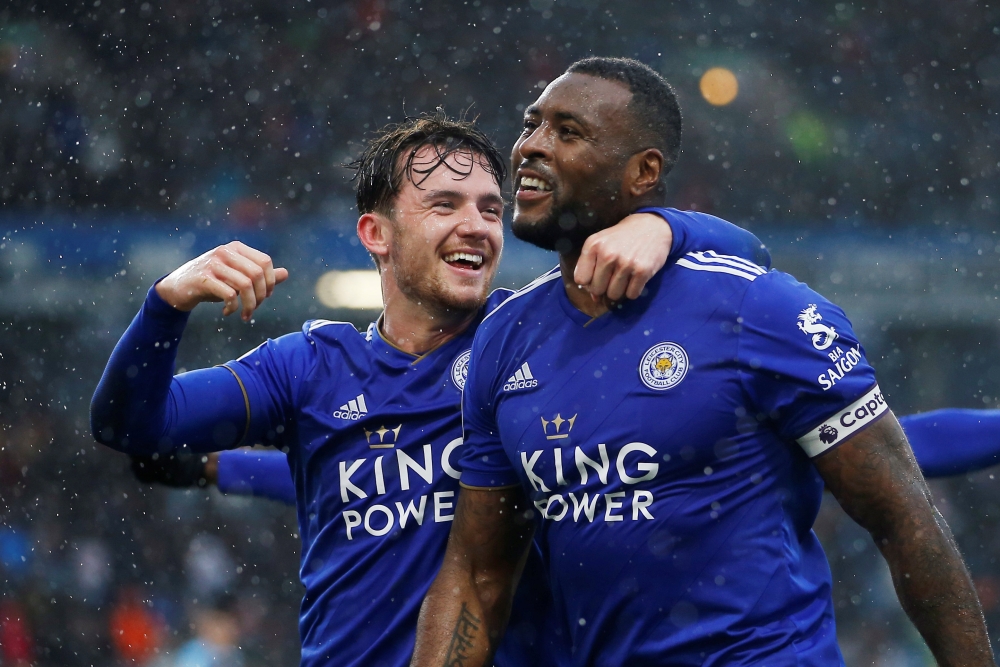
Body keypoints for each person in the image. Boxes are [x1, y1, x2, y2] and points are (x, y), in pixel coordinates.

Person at [91, 111, 769, 667]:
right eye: (444, 204)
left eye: (489, 208)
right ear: (375, 233)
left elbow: (747, 259)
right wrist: (165, 305)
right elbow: (132, 426)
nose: (476, 225)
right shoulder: (306, 367)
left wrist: (664, 225)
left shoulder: (539, 339)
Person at [410, 58, 993, 667]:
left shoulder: (755, 308)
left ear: (644, 172)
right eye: (531, 124)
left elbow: (902, 518)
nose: (530, 146)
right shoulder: (505, 339)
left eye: (568, 131)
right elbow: (477, 579)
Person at [130, 403, 1000, 506]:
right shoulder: (520, 396)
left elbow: (887, 440)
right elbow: (368, 477)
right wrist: (221, 467)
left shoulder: (712, 401)